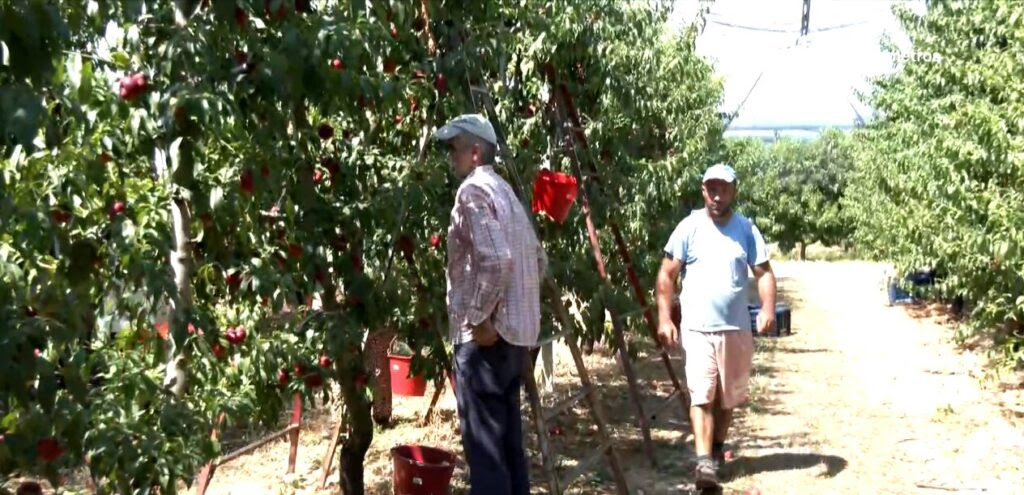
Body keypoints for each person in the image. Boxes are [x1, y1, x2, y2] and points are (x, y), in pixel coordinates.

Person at [433, 113, 547, 495]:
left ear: (476, 152)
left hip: (485, 343)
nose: (453, 159)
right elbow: (538, 258)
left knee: (486, 456)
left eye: (456, 150)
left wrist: (481, 318)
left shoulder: (473, 192)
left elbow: (497, 260)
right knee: (508, 446)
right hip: (515, 341)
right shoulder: (506, 193)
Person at [654, 163, 777, 489]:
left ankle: (718, 448)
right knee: (702, 396)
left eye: (723, 188)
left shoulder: (746, 229)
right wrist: (665, 317)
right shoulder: (688, 227)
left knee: (727, 399)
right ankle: (704, 463)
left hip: (736, 329)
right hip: (697, 329)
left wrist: (767, 308)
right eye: (711, 188)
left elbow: (763, 273)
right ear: (703, 190)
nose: (717, 195)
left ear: (734, 190)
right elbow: (666, 274)